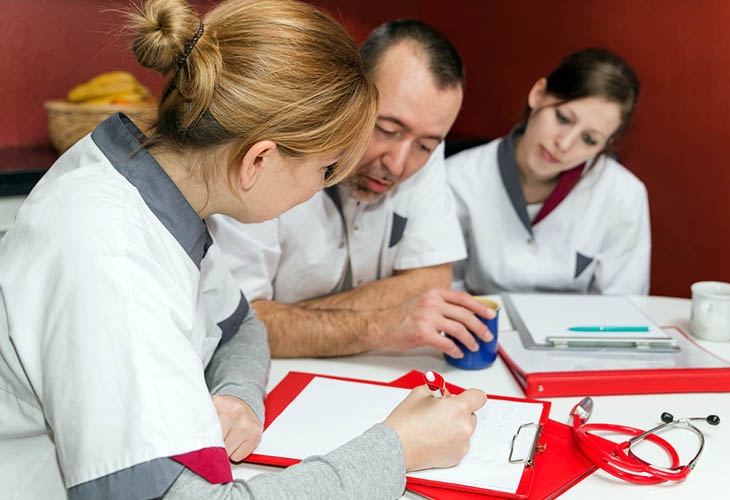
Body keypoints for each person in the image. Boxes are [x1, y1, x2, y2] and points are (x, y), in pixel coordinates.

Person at [0, 1, 486, 499]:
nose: (322, 187)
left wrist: (237, 394)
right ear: (259, 160)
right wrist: (397, 450)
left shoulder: (160, 191)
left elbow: (241, 326)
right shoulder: (108, 257)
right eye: (324, 170)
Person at [208, 20, 496, 359]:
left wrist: (291, 318)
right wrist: (379, 325)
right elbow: (238, 324)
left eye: (426, 145)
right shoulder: (266, 156)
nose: (399, 164)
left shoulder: (420, 155)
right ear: (349, 95)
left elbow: (431, 280)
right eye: (387, 129)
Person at [447, 48, 650, 295]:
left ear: (605, 146)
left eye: (589, 139)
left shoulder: (624, 195)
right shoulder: (456, 178)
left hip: (577, 332)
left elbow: (622, 310)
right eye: (563, 118)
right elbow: (442, 294)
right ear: (538, 94)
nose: (564, 145)